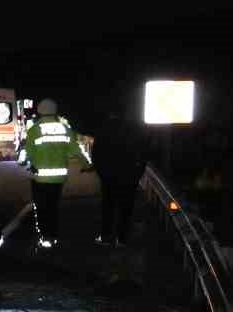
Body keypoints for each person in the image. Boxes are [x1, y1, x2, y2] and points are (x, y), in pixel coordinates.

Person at [17, 98, 91, 249]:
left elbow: (27, 152)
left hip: (38, 178)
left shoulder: (34, 130)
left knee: (41, 207)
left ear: (40, 111)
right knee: (53, 206)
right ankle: (53, 235)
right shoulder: (65, 129)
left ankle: (45, 237)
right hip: (58, 178)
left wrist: (23, 162)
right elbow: (77, 150)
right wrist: (86, 165)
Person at [92, 107, 147, 248]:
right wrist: (137, 175)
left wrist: (102, 174)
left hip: (109, 177)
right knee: (126, 209)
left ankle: (105, 237)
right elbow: (143, 154)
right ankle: (122, 239)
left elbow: (96, 156)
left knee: (107, 207)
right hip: (129, 177)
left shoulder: (103, 131)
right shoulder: (135, 131)